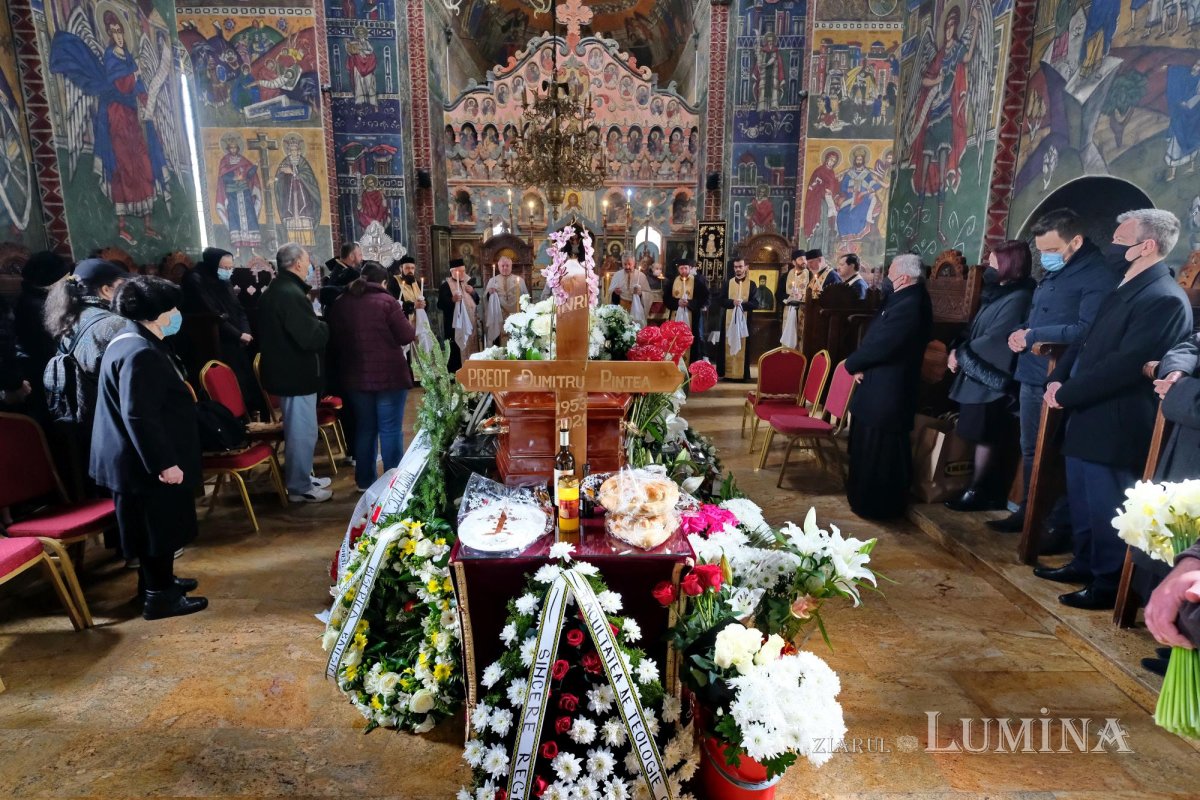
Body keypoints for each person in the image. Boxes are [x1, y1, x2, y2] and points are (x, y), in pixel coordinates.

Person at [1038, 209, 1193, 610]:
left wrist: (1069, 392)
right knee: (1083, 499)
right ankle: (1084, 563)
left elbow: (1124, 365)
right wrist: (1059, 380)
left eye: (1120, 241)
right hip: (1086, 411)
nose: (1111, 247)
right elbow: (1086, 340)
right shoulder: (1125, 285)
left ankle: (1107, 582)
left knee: (1108, 505)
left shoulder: (1164, 298)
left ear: (1147, 246)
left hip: (1116, 419)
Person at [992, 208, 1117, 536]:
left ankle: (1047, 522)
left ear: (1075, 241)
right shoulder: (1061, 269)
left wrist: (1032, 335)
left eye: (1051, 249)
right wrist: (1020, 331)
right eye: (1041, 250)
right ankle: (1027, 511)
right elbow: (1041, 315)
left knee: (1049, 451)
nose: (1045, 257)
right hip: (1032, 370)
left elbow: (1087, 329)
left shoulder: (1097, 275)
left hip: (1060, 374)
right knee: (1030, 448)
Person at [90, 276, 206, 620]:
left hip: (131, 457)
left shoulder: (130, 339)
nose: (176, 313)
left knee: (156, 526)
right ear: (157, 313)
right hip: (143, 462)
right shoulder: (141, 351)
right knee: (158, 528)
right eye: (173, 308)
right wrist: (164, 463)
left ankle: (158, 583)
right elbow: (139, 415)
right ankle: (159, 597)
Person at [945, 241, 1035, 512]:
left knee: (987, 436)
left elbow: (996, 339)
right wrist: (956, 349)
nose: (988, 266)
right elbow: (974, 329)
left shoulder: (1019, 297)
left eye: (994, 262)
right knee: (977, 434)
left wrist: (961, 354)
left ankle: (979, 491)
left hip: (990, 383)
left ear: (1009, 265)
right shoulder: (998, 293)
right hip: (975, 377)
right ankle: (975, 486)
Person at [844, 254, 932, 520]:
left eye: (890, 273)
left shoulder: (912, 305)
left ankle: (879, 506)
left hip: (889, 391)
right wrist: (861, 364)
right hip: (878, 386)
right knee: (869, 447)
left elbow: (883, 344)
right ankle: (863, 499)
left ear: (903, 277)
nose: (886, 278)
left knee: (882, 452)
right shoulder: (902, 298)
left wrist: (853, 363)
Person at [42, 258, 130, 498]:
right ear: (106, 290)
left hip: (85, 418)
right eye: (122, 285)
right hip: (113, 419)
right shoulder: (113, 323)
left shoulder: (70, 316)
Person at [328, 263, 416, 491]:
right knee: (390, 429)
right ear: (384, 282)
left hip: (355, 376)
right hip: (389, 376)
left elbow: (334, 337)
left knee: (365, 428)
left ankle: (364, 481)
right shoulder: (387, 302)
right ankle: (392, 483)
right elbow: (406, 335)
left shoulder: (342, 302)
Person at [258, 243, 333, 503]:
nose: (310, 265)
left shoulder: (281, 290)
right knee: (301, 432)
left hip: (292, 371)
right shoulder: (288, 294)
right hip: (294, 373)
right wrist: (325, 326)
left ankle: (303, 476)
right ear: (298, 263)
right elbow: (309, 336)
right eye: (308, 260)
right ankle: (300, 487)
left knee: (305, 429)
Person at [181, 247, 265, 416]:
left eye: (230, 267)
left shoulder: (223, 280)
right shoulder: (196, 279)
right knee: (229, 386)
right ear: (213, 265)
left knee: (246, 382)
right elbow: (213, 315)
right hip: (217, 341)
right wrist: (238, 335)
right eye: (225, 268)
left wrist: (246, 332)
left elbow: (239, 309)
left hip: (239, 339)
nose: (228, 271)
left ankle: (251, 415)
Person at [14, 252, 70, 421]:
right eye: (65, 279)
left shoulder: (33, 298)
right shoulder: (37, 306)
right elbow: (49, 347)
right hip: (45, 374)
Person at [718, 257, 759, 381]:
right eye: (736, 267)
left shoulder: (752, 284)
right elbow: (720, 300)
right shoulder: (728, 283)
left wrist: (742, 304)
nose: (738, 269)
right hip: (728, 319)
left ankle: (742, 374)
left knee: (744, 344)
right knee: (727, 344)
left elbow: (756, 303)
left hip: (744, 321)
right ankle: (727, 373)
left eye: (740, 266)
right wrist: (732, 302)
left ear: (746, 267)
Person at [663, 258, 708, 363]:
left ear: (690, 268)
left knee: (692, 342)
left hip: (693, 318)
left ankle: (690, 367)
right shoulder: (672, 282)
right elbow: (666, 299)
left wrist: (690, 303)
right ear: (678, 269)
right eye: (681, 268)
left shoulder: (697, 282)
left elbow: (704, 298)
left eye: (685, 268)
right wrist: (677, 302)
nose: (683, 271)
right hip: (675, 316)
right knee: (674, 340)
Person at [438, 258, 478, 372]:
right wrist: (452, 299)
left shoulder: (468, 282)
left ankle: (472, 373)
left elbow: (477, 300)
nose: (462, 274)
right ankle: (456, 376)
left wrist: (473, 292)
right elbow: (440, 304)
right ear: (452, 272)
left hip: (471, 324)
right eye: (459, 271)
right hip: (454, 327)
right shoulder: (446, 286)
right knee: (455, 353)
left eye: (463, 271)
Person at [484, 256, 528, 345]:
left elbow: (526, 299)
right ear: (498, 267)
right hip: (498, 318)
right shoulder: (492, 281)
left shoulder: (520, 281)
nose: (505, 268)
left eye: (507, 265)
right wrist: (489, 294)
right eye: (502, 266)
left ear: (511, 266)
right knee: (499, 345)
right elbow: (485, 299)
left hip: (515, 317)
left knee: (516, 343)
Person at [780, 249, 809, 349]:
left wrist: (802, 296)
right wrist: (790, 297)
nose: (804, 261)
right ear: (793, 262)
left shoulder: (810, 275)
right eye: (800, 259)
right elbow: (779, 294)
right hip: (789, 309)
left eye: (805, 259)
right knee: (789, 339)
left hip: (804, 311)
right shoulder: (785, 276)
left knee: (802, 338)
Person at [321, 242, 363, 309]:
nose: (362, 258)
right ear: (351, 256)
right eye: (360, 255)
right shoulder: (351, 275)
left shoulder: (336, 269)